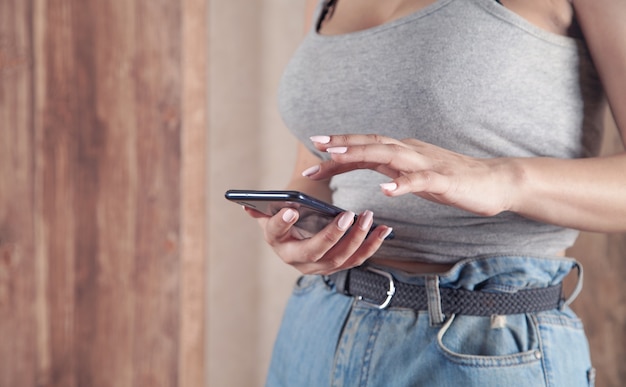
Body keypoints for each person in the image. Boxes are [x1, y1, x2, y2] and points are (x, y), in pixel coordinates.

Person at [243, 0, 626, 385]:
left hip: (483, 338)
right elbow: (315, 169)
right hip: (318, 327)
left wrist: (504, 180)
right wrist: (299, 227)